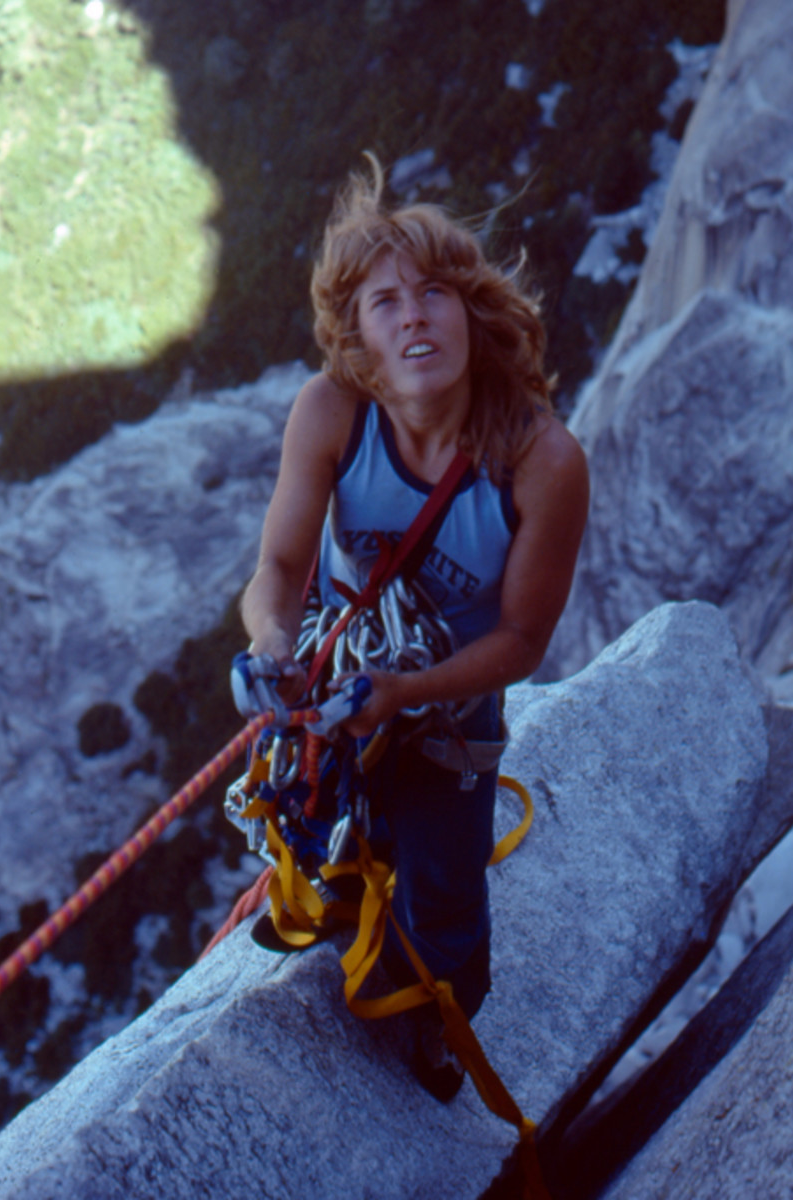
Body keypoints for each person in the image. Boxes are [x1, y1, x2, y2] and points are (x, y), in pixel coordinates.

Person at [238, 156, 589, 1098]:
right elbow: (276, 573)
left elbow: (520, 641)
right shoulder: (330, 414)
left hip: (447, 714)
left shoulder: (538, 461)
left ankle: (438, 1020)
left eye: (435, 293)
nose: (413, 315)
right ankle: (328, 899)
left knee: (444, 900)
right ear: (356, 334)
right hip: (340, 670)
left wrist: (404, 693)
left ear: (472, 314)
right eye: (385, 302)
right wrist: (272, 647)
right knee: (312, 820)